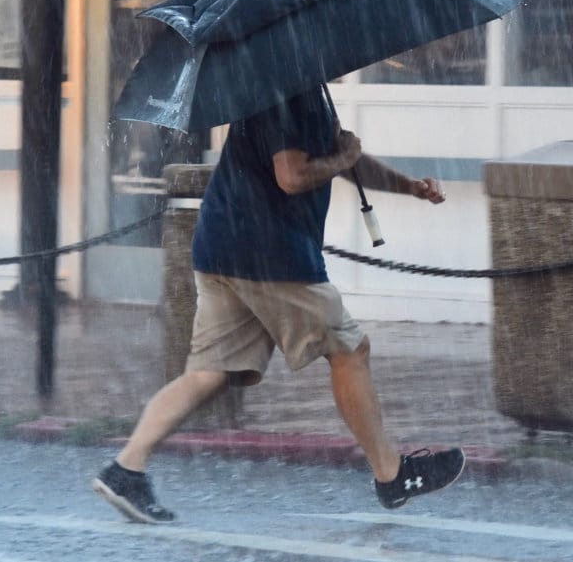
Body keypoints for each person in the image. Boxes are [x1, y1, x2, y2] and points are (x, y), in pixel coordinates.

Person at [93, 86, 465, 524]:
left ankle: (126, 469)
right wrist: (341, 158)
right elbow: (292, 175)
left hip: (222, 245)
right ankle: (392, 475)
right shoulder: (290, 92)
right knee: (349, 350)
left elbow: (342, 156)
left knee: (210, 372)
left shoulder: (288, 86)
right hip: (270, 252)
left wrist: (408, 186)